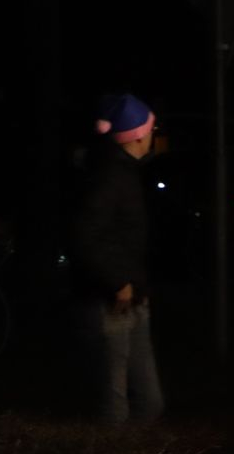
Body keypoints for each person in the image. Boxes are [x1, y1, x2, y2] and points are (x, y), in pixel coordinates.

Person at [70, 93, 164, 422]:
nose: (154, 135)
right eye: (151, 128)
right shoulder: (109, 175)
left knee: (146, 402)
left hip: (131, 297)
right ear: (138, 134)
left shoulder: (122, 171)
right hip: (110, 302)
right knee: (115, 406)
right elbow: (85, 236)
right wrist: (117, 282)